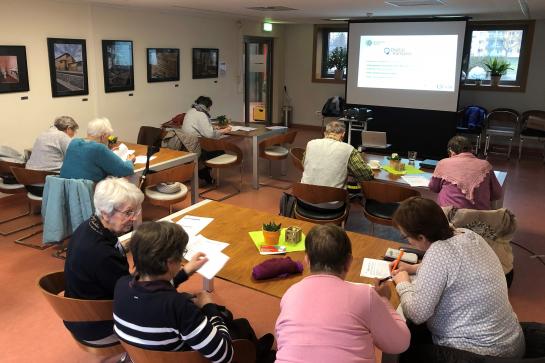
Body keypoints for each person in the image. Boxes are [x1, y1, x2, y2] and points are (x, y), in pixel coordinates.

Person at [114, 221, 275, 362]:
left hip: (146, 357)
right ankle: (257, 355)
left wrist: (186, 272)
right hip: (185, 358)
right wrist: (208, 306)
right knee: (239, 326)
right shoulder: (177, 306)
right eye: (181, 255)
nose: (182, 260)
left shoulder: (122, 285)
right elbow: (224, 355)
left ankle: (257, 350)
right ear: (169, 262)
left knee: (237, 324)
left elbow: (155, 290)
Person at [391, 197, 525, 361]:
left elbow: (417, 314)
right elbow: (457, 269)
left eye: (406, 237)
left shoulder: (439, 252)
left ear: (421, 237)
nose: (408, 242)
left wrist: (403, 282)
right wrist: (413, 268)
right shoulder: (468, 235)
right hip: (511, 343)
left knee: (402, 353)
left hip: (481, 354)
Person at [275, 224, 410, 363]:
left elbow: (282, 339)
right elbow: (400, 343)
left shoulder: (290, 293)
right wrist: (384, 300)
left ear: (307, 260)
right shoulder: (365, 295)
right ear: (349, 262)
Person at [63, 177, 144, 346]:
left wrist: (133, 242)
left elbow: (111, 250)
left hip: (79, 316)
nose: (135, 218)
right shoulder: (102, 255)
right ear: (106, 213)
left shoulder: (88, 226)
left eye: (135, 211)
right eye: (129, 212)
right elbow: (132, 295)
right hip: (98, 325)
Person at [429, 135, 502, 210]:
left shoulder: (443, 163)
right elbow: (497, 194)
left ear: (451, 152)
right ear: (471, 150)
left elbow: (433, 188)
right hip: (480, 219)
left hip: (448, 218)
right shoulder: (486, 165)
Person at [301, 120, 373, 188]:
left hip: (302, 196)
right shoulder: (349, 149)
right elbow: (365, 176)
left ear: (325, 133)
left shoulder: (311, 143)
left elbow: (303, 164)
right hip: (332, 199)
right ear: (343, 134)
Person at [60, 117, 135, 182]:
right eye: (108, 137)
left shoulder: (74, 142)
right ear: (103, 136)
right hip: (88, 192)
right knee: (126, 178)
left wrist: (108, 153)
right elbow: (126, 170)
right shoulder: (99, 148)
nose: (108, 140)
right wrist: (129, 160)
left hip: (68, 190)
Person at [181, 96, 232, 184]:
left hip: (185, 145)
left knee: (212, 148)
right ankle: (205, 174)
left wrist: (211, 127)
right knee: (219, 151)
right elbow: (209, 135)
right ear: (207, 106)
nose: (209, 109)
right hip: (196, 147)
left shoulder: (191, 111)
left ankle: (203, 173)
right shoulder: (201, 114)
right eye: (209, 107)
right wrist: (224, 131)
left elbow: (196, 126)